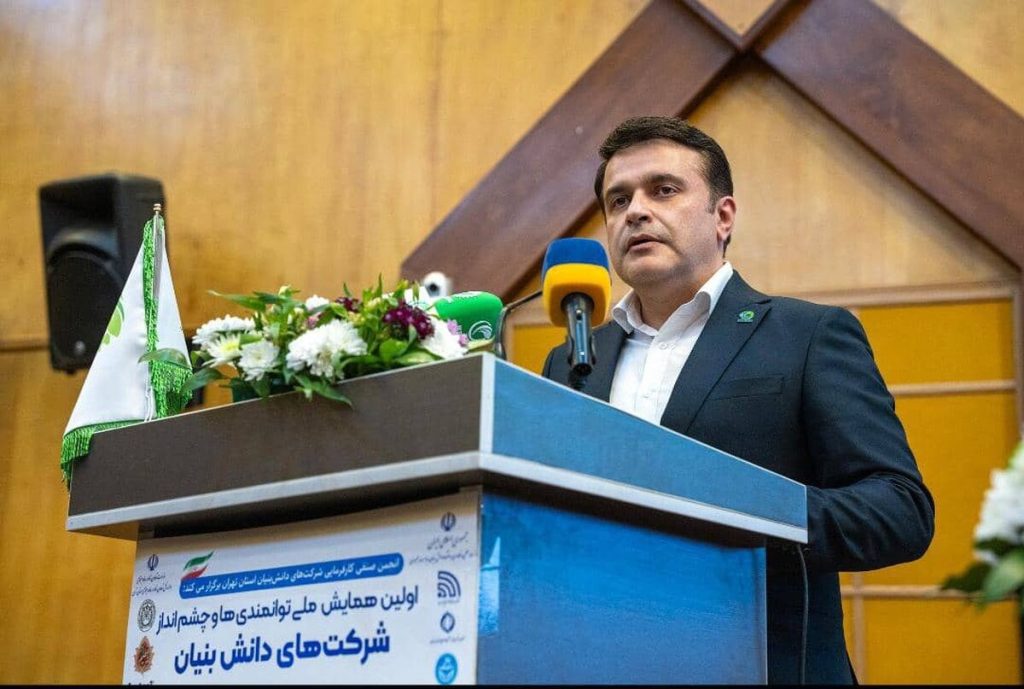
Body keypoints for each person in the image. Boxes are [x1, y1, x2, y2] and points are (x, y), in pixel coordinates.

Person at [542, 116, 934, 684]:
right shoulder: (573, 360)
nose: (636, 211)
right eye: (618, 200)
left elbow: (899, 511)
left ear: (722, 216)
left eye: (664, 190)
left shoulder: (806, 336)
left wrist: (735, 510)